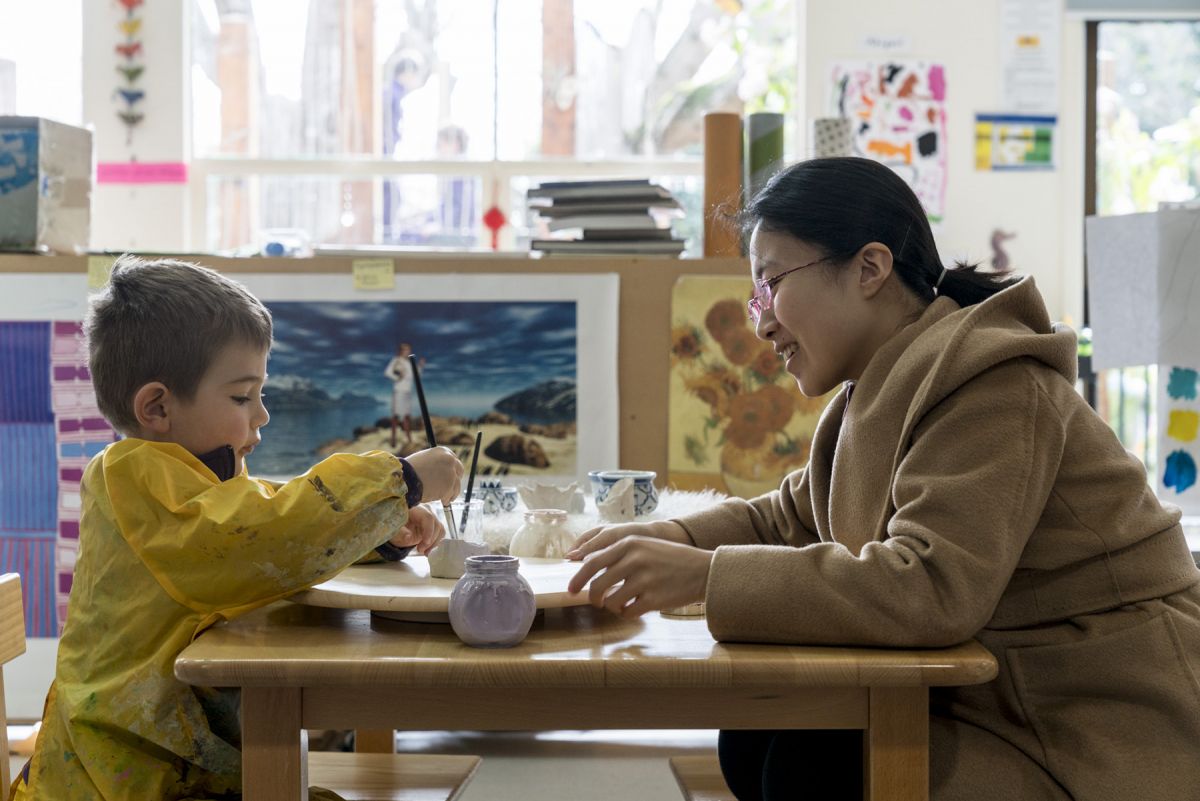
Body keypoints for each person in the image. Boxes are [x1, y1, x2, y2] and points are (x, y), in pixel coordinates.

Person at [567, 157, 1200, 800]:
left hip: (1087, 727)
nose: (761, 322)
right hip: (995, 700)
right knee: (761, 736)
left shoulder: (995, 384)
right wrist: (662, 536)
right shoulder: (872, 393)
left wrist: (703, 575)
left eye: (771, 284)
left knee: (812, 764)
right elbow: (785, 519)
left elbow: (930, 586)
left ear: (869, 268)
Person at [11, 256, 464, 801]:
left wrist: (381, 528)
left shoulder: (198, 482)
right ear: (157, 406)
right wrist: (401, 480)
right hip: (123, 773)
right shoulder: (132, 476)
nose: (262, 416)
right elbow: (260, 536)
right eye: (242, 397)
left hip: (184, 762)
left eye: (261, 395)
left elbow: (273, 526)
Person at [384, 342, 420, 447]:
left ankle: (409, 438)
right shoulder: (396, 360)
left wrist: (420, 366)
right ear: (401, 351)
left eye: (409, 350)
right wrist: (397, 378)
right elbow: (387, 372)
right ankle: (393, 439)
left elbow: (413, 375)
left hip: (407, 391)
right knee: (396, 416)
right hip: (399, 390)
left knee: (407, 416)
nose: (408, 352)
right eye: (406, 350)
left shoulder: (408, 362)